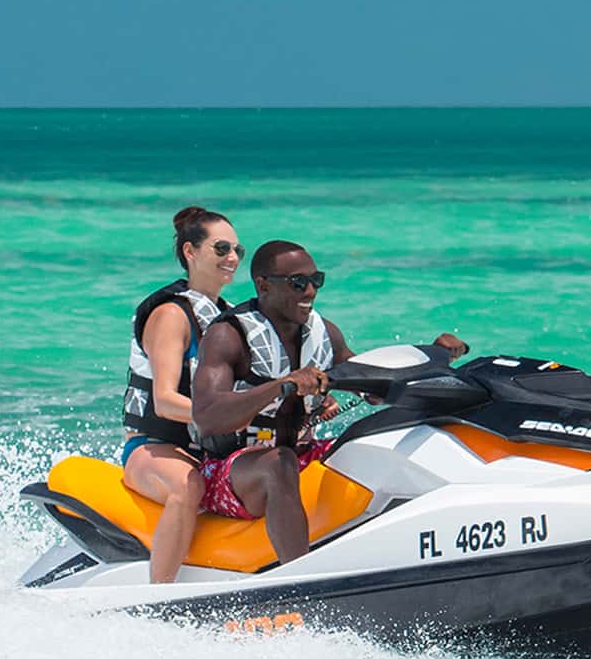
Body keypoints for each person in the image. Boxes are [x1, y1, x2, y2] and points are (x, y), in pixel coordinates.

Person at [191, 240, 467, 562]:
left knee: (382, 443)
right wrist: (281, 386)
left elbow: (371, 382)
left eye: (316, 280)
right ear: (263, 285)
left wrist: (434, 355)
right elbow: (207, 417)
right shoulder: (228, 336)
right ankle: (299, 579)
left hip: (302, 454)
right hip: (230, 472)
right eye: (298, 283)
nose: (310, 291)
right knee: (280, 463)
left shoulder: (324, 333)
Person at [120, 206, 243, 582]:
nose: (233, 258)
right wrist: (229, 415)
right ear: (190, 251)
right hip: (152, 449)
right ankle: (159, 595)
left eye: (238, 250)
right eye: (221, 248)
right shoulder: (171, 316)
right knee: (188, 486)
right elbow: (164, 401)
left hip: (208, 448)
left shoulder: (230, 316)